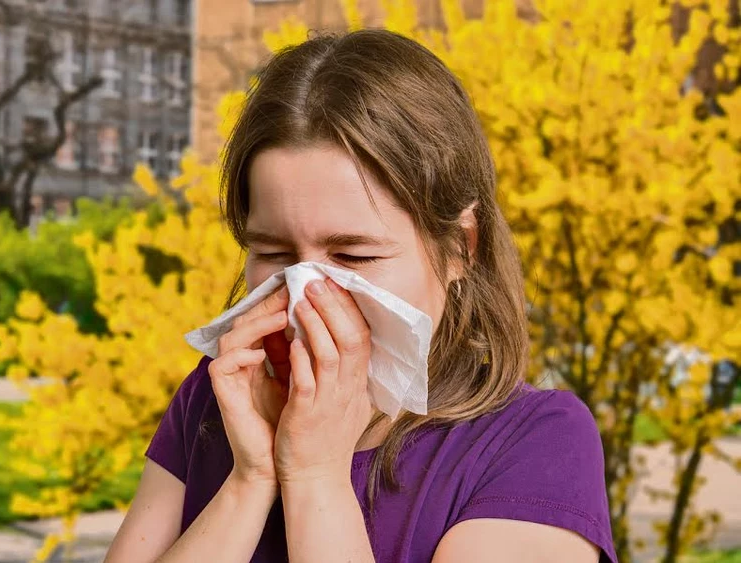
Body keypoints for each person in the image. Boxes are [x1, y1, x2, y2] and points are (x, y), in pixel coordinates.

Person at [106, 29, 616, 563]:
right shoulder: (215, 400)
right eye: (275, 254)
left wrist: (314, 474)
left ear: (460, 248)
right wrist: (250, 478)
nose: (308, 293)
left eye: (354, 258)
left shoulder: (535, 443)